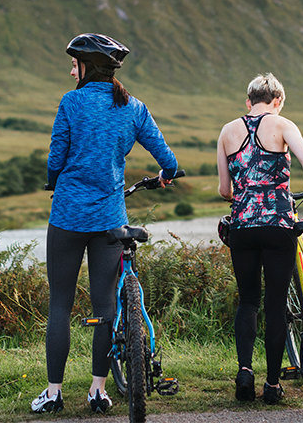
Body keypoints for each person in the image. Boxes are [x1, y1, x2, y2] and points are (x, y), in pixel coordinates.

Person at [31, 33, 179, 415]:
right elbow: (168, 158)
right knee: (104, 307)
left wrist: (53, 178)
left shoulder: (71, 102)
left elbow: (55, 157)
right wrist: (166, 173)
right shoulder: (134, 107)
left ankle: (53, 393)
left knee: (60, 305)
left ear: (88, 67)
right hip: (110, 219)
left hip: (67, 216)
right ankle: (98, 390)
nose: (70, 70)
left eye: (74, 64)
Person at [216, 73, 303, 405]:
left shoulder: (227, 131)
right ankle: (274, 384)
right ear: (277, 101)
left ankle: (245, 371)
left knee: (248, 300)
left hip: (243, 227)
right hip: (279, 224)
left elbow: (224, 190)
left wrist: (246, 194)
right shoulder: (283, 125)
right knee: (276, 304)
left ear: (249, 100)